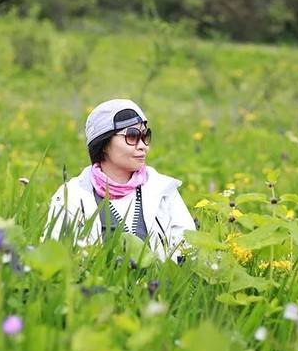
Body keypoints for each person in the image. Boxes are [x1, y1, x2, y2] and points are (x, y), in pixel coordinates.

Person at [45, 99, 196, 263]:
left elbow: (189, 253)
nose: (143, 146)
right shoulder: (71, 197)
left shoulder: (164, 191)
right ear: (103, 143)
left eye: (145, 136)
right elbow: (55, 257)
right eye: (132, 136)